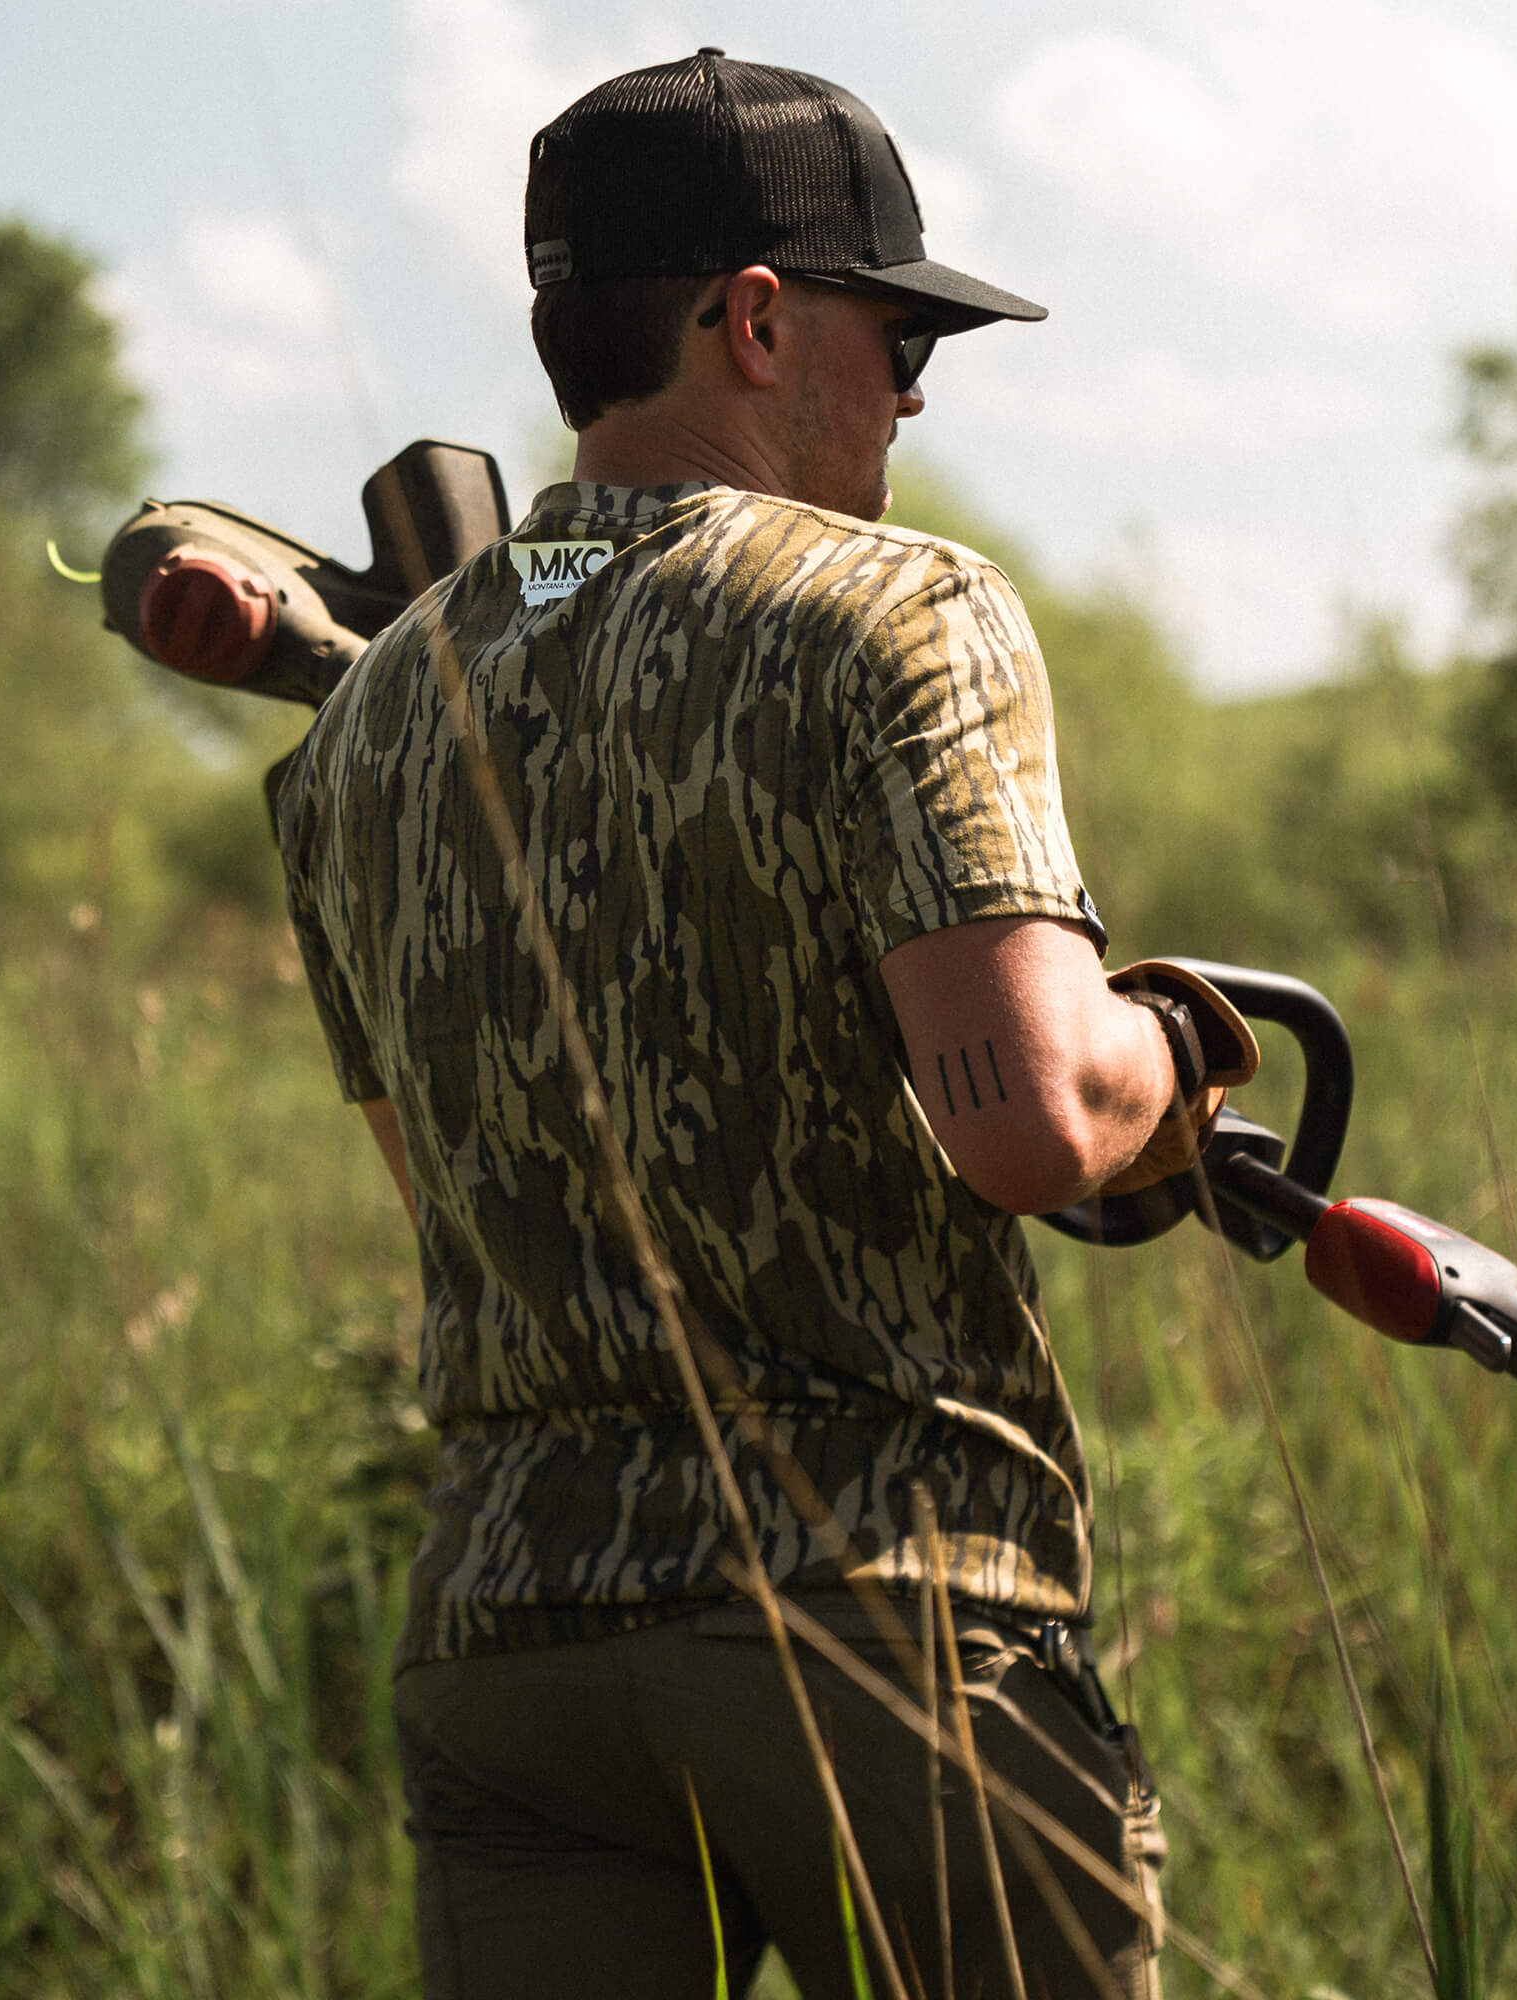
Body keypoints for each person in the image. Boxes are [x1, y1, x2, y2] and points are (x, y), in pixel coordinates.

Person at [274, 48, 1255, 2000]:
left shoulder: (368, 716)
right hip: (874, 1621)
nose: (906, 395)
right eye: (897, 343)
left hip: (510, 1643)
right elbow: (1037, 1120)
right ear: (751, 316)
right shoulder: (902, 613)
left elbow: (448, 1188)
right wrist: (1178, 1054)